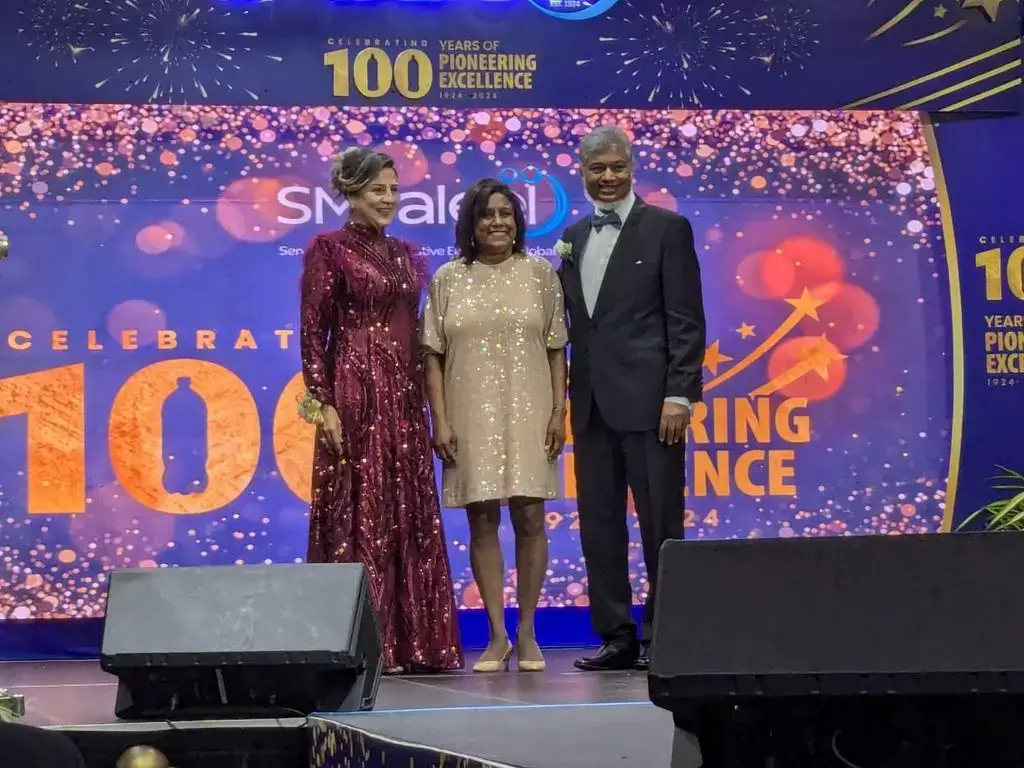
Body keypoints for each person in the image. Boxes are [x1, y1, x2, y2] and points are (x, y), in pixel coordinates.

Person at [299, 147, 463, 674]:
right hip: (354, 388)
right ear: (350, 191)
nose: (389, 198)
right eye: (377, 190)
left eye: (394, 189)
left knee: (406, 503)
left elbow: (413, 329)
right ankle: (366, 643)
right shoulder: (327, 249)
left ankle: (417, 642)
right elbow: (312, 331)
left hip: (403, 392)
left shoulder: (407, 253)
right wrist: (322, 403)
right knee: (360, 504)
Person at [557, 126, 707, 672]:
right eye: (597, 169)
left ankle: (669, 634)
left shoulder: (667, 228)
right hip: (592, 404)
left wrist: (680, 394)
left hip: (652, 404)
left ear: (632, 168)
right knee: (598, 523)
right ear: (582, 171)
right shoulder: (573, 236)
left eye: (616, 167)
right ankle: (617, 635)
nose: (607, 177)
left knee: (661, 522)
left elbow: (686, 320)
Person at [422, 178, 568, 673]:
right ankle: (496, 634)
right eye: (487, 214)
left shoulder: (540, 274)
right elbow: (433, 358)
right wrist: (439, 419)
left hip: (531, 409)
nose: (498, 222)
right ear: (471, 223)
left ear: (519, 221)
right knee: (481, 522)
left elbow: (556, 349)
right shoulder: (447, 278)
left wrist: (556, 411)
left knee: (530, 519)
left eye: (507, 213)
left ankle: (528, 633)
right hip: (467, 411)